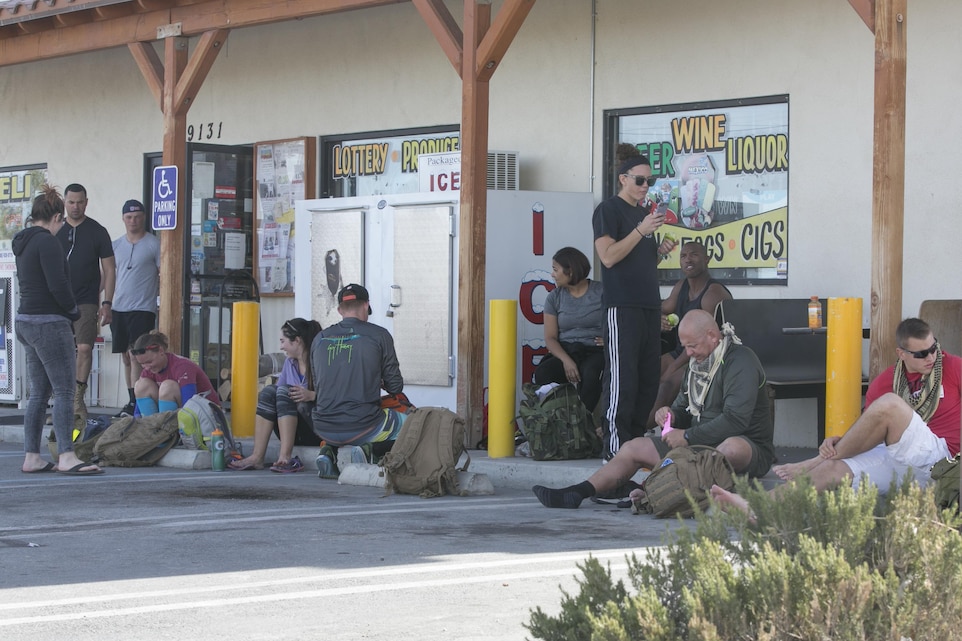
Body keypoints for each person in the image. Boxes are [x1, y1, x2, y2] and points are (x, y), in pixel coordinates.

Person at [712, 318, 961, 516]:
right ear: (901, 353)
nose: (931, 357)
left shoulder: (953, 367)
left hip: (942, 458)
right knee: (832, 468)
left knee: (891, 405)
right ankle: (759, 507)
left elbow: (885, 413)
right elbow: (870, 428)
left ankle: (811, 461)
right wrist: (839, 440)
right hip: (898, 457)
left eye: (933, 348)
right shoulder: (886, 381)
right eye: (921, 354)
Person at [532, 309, 774, 509]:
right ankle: (579, 491)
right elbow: (682, 408)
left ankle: (651, 491)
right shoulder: (697, 361)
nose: (688, 353)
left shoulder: (741, 361)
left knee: (730, 448)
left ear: (712, 336)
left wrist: (687, 436)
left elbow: (735, 420)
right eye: (685, 347)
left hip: (745, 447)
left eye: (692, 346)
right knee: (633, 446)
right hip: (696, 447)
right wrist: (669, 415)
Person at [592, 147, 677, 459]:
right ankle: (614, 452)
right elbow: (609, 257)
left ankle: (634, 447)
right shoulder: (609, 210)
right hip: (622, 306)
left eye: (650, 181)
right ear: (623, 179)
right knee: (622, 379)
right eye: (640, 181)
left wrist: (659, 250)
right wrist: (641, 231)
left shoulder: (643, 214)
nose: (645, 187)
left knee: (646, 381)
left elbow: (639, 261)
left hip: (647, 306)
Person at [12, 186, 102, 475]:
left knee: (38, 393)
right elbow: (58, 284)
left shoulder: (23, 242)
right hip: (49, 322)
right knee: (64, 390)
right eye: (61, 220)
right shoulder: (48, 243)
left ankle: (32, 456)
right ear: (55, 217)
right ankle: (66, 455)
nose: (62, 225)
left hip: (25, 320)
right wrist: (73, 311)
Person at [311, 284, 406, 478]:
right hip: (364, 425)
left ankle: (327, 453)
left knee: (340, 411)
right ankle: (370, 450)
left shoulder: (319, 338)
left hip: (323, 427)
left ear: (339, 310)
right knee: (413, 424)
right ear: (366, 306)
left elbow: (319, 383)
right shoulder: (379, 335)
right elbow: (395, 387)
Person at [647, 241, 732, 427]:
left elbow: (704, 342)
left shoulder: (713, 292)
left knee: (667, 383)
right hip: (682, 352)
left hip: (706, 358)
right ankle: (621, 425)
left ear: (707, 258)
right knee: (644, 372)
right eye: (683, 256)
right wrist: (659, 319)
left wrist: (672, 369)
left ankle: (637, 429)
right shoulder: (681, 286)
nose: (688, 260)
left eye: (694, 254)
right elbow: (661, 308)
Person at [229, 318, 323, 472]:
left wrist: (312, 395)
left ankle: (285, 457)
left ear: (297, 341)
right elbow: (277, 396)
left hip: (317, 429)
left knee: (283, 391)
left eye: (283, 341)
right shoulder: (289, 364)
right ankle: (257, 457)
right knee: (269, 392)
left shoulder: (320, 363)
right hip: (293, 428)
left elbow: (337, 396)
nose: (281, 347)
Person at [56, 183, 116, 424]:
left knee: (84, 348)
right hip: (57, 301)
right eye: (71, 202)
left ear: (86, 202)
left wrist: (107, 302)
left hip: (87, 300)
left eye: (80, 202)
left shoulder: (97, 231)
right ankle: (62, 402)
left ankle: (78, 400)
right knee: (60, 353)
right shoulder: (56, 230)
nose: (76, 206)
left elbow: (110, 269)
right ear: (64, 202)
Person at [532, 247, 605, 412]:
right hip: (566, 350)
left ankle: (582, 422)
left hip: (595, 350)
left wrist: (609, 339)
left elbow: (620, 320)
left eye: (555, 270)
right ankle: (555, 420)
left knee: (591, 374)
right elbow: (550, 338)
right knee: (543, 373)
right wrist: (566, 361)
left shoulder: (601, 292)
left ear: (570, 271)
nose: (552, 274)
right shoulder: (554, 297)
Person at [110, 199, 160, 417]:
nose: (133, 221)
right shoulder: (116, 245)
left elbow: (163, 273)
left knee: (136, 355)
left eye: (138, 216)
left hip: (143, 307)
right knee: (124, 356)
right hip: (119, 307)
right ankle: (131, 398)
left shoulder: (153, 243)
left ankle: (137, 401)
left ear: (144, 217)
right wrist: (103, 303)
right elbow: (108, 276)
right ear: (123, 219)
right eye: (129, 217)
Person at [130, 330, 221, 415]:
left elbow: (189, 402)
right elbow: (139, 401)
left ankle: (169, 429)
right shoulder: (148, 370)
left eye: (149, 362)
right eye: (142, 364)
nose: (146, 368)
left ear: (161, 351)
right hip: (181, 411)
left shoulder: (182, 366)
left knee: (168, 386)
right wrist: (136, 421)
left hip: (207, 414)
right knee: (141, 385)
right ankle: (151, 427)